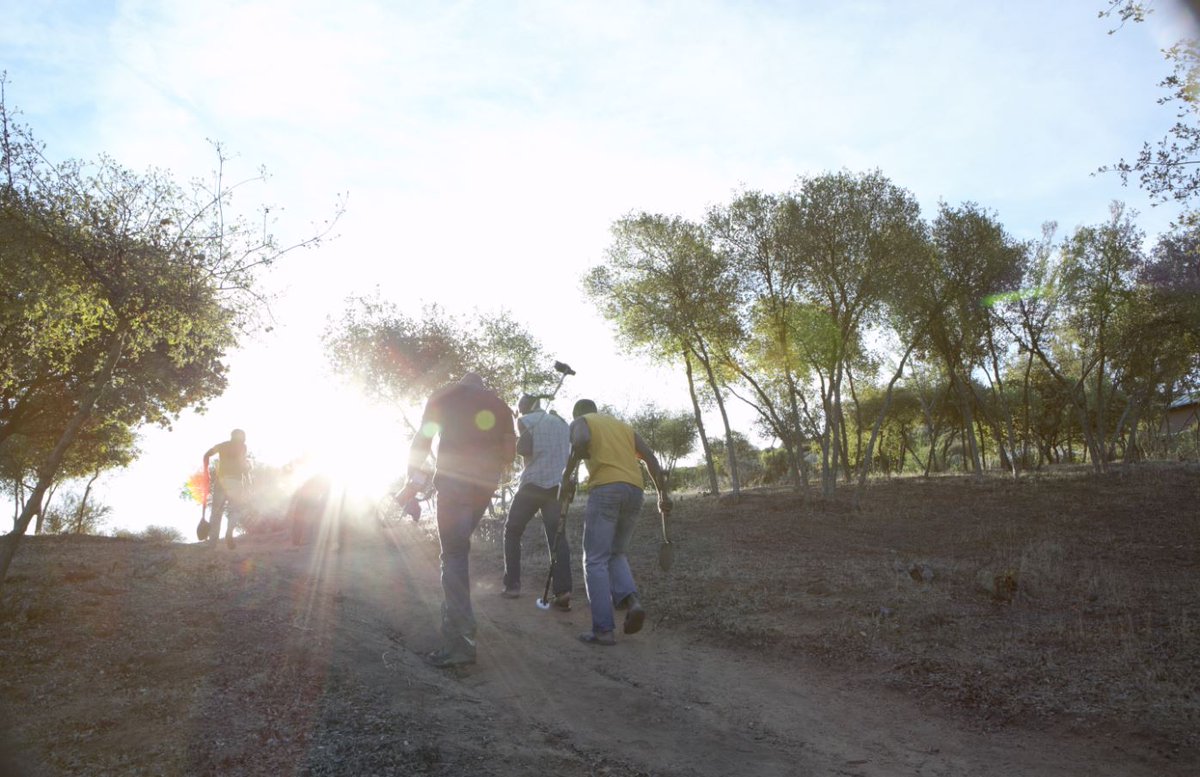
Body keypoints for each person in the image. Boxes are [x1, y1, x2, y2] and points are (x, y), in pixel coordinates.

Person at [395, 372, 516, 668]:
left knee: (453, 555)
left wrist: (412, 484)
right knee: (457, 552)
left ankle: (460, 641)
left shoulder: (443, 396)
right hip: (484, 484)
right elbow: (510, 453)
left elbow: (423, 440)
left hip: (454, 482)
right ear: (482, 385)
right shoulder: (500, 405)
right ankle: (456, 623)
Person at [560, 399, 671, 646]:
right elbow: (650, 458)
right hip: (635, 490)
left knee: (595, 559)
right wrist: (663, 494)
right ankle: (634, 603)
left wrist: (567, 476)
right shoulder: (622, 427)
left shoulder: (581, 421)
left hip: (607, 490)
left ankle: (603, 630)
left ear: (577, 413)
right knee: (616, 553)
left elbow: (579, 441)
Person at [501, 394, 573, 609]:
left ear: (524, 408)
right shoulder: (562, 422)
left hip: (533, 484)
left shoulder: (525, 421)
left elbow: (524, 449)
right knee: (557, 537)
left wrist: (520, 434)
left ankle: (512, 586)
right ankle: (563, 592)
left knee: (512, 530)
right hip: (556, 486)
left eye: (520, 408)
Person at [202, 428, 251, 550]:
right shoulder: (242, 447)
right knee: (234, 511)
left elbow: (206, 455)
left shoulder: (222, 446)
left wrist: (206, 471)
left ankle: (212, 543)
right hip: (236, 482)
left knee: (216, 512)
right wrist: (248, 483)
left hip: (221, 481)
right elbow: (243, 465)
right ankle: (229, 533)